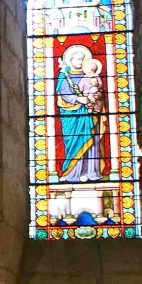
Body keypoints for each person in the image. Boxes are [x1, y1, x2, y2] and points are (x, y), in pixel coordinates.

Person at [55, 45, 109, 182]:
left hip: (89, 113)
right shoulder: (64, 76)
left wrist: (97, 96)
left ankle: (91, 172)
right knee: (73, 141)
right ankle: (72, 173)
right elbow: (63, 93)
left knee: (91, 140)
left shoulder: (91, 77)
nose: (80, 62)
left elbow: (98, 92)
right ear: (70, 60)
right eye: (78, 59)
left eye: (82, 59)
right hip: (71, 114)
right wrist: (78, 98)